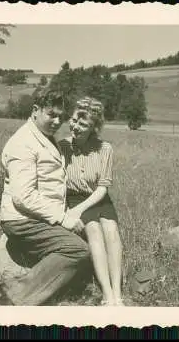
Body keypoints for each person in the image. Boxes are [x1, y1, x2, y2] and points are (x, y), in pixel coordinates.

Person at [0, 89, 91, 306]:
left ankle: (80, 290)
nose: (58, 121)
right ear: (35, 111)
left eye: (61, 116)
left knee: (93, 232)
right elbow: (23, 196)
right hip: (22, 219)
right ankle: (14, 297)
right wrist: (62, 218)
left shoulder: (45, 137)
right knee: (77, 250)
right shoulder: (23, 143)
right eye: (52, 114)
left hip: (38, 216)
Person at [58, 96, 125, 306]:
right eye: (74, 121)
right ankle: (106, 294)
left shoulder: (105, 149)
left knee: (112, 231)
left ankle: (117, 294)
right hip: (75, 196)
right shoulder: (61, 147)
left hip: (98, 197)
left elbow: (103, 187)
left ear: (94, 127)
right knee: (94, 230)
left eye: (83, 125)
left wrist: (80, 209)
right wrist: (72, 210)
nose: (75, 127)